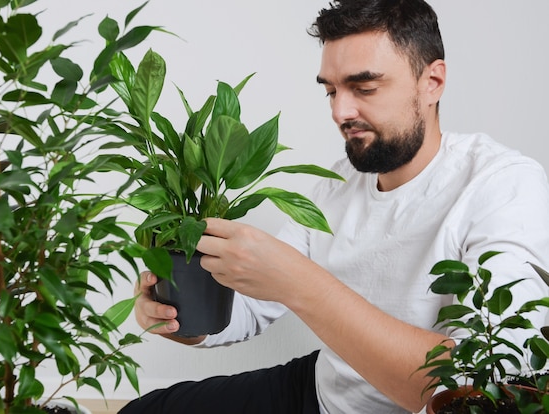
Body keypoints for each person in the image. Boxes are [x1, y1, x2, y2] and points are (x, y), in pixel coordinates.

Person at [120, 0, 549, 413]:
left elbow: (479, 383)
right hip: (324, 389)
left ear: (432, 82)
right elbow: (249, 309)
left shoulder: (504, 186)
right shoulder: (337, 184)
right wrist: (177, 315)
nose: (341, 111)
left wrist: (300, 283)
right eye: (331, 91)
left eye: (364, 87)